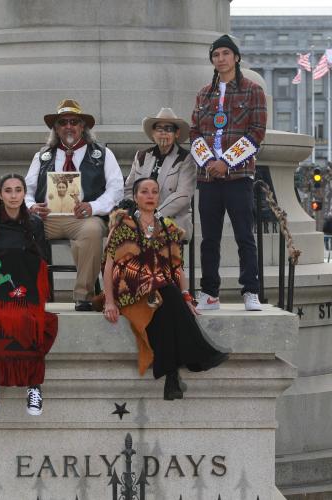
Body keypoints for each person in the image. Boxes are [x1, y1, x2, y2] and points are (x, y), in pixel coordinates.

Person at [102, 178, 227, 400]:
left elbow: (177, 268)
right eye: (144, 192)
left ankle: (171, 377)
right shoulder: (123, 225)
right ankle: (200, 357)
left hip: (160, 290)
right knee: (168, 295)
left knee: (167, 303)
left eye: (154, 192)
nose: (150, 196)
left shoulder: (168, 228)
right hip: (130, 289)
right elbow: (109, 265)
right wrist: (109, 302)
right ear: (136, 196)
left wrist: (187, 297)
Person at [0, 174, 58, 416]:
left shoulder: (34, 223)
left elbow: (45, 259)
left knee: (28, 322)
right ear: (0, 194)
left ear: (24, 194)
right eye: (8, 190)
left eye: (18, 190)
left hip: (25, 291)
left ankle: (33, 386)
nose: (13, 195)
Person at [189, 35, 267, 312]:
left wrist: (227, 162)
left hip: (239, 176)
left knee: (245, 235)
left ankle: (251, 291)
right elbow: (195, 132)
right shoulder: (204, 94)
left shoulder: (253, 91)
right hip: (208, 177)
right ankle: (209, 292)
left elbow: (256, 132)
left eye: (225, 53)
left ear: (236, 57)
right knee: (209, 238)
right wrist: (209, 161)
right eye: (216, 55)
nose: (220, 59)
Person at [25, 99, 124, 311]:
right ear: (56, 128)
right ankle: (28, 292)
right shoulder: (42, 156)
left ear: (82, 127)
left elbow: (116, 190)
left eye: (74, 121)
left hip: (83, 218)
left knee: (92, 230)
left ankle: (83, 296)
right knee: (21, 229)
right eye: (63, 122)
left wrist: (93, 206)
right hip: (47, 218)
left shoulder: (102, 155)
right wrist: (32, 207)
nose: (68, 126)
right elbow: (26, 190)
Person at [124, 108, 196, 238]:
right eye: (159, 129)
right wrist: (137, 214)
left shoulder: (186, 158)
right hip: (139, 217)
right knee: (118, 233)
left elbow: (183, 196)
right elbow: (129, 190)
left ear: (177, 133)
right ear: (153, 133)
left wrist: (154, 216)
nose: (163, 133)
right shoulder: (141, 156)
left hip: (173, 220)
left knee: (151, 234)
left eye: (168, 129)